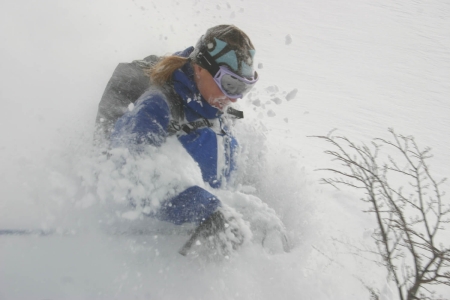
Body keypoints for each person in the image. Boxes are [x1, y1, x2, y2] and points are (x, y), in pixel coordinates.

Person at [95, 25, 259, 255]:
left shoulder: (215, 108)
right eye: (230, 84)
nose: (234, 97)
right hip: (145, 253)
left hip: (202, 247)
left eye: (244, 87)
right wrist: (207, 211)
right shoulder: (156, 107)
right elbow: (133, 177)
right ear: (200, 68)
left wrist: (254, 214)